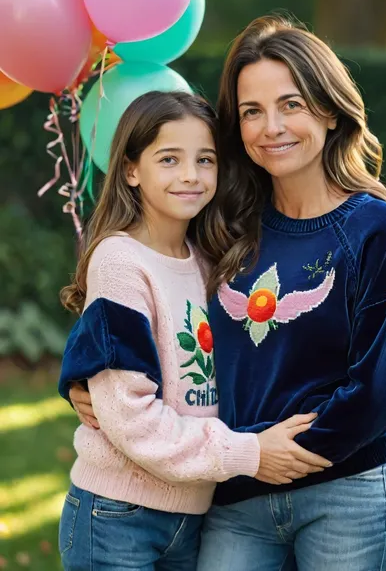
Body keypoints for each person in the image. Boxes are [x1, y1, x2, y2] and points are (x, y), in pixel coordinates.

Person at [70, 16, 386, 571]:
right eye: (251, 112)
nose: (271, 127)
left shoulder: (375, 230)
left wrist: (282, 456)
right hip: (236, 497)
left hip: (346, 490)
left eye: (291, 104)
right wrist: (84, 381)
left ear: (329, 109)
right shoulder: (227, 226)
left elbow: (381, 388)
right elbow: (149, 304)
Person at [57, 90, 331, 571]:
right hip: (119, 514)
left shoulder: (208, 262)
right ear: (130, 170)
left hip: (191, 514)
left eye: (205, 160)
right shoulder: (121, 261)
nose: (190, 176)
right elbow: (132, 419)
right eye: (169, 159)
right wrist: (248, 453)